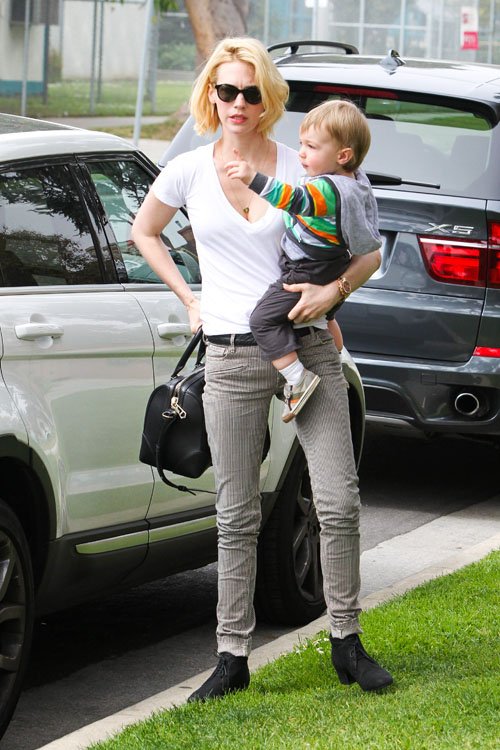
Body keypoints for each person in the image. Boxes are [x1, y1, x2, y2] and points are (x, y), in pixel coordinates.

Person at [131, 36, 393, 701]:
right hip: (229, 353)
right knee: (236, 513)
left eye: (251, 91)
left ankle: (347, 640)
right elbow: (144, 231)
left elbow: (368, 252)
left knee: (338, 499)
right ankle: (231, 657)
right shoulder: (189, 170)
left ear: (267, 96)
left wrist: (333, 293)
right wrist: (189, 298)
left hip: (309, 346)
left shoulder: (305, 164)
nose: (238, 102)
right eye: (227, 90)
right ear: (210, 96)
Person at [225, 99, 381, 422]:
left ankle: (298, 379)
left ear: (343, 156)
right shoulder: (354, 182)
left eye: (311, 146)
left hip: (306, 271)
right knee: (328, 319)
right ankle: (337, 366)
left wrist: (253, 178)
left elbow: (292, 199)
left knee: (263, 320)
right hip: (334, 264)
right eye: (301, 144)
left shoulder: (326, 190)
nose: (301, 153)